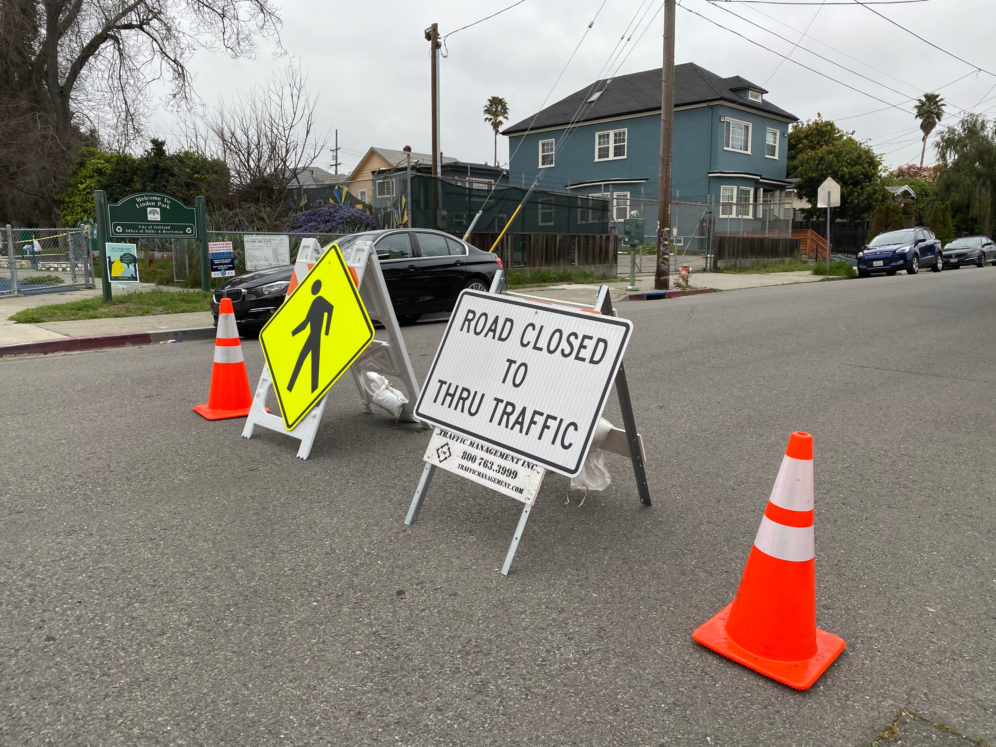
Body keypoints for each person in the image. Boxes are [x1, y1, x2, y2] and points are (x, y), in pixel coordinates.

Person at [287, 279, 334, 394]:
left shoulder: (319, 300)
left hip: (316, 336)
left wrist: (327, 330)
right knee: (304, 359)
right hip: (312, 335)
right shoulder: (314, 302)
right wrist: (292, 333)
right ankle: (292, 386)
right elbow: (305, 323)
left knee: (312, 362)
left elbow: (331, 308)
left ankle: (312, 389)